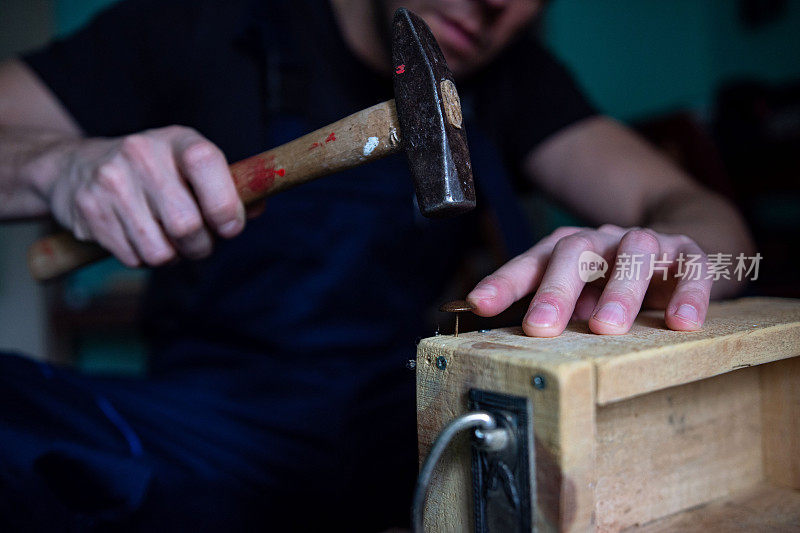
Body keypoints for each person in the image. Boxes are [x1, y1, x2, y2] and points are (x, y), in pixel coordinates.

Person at [0, 0, 754, 530]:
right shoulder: (198, 20)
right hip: (204, 429)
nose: (502, 3)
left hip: (407, 420)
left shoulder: (515, 78)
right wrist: (57, 166)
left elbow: (708, 219)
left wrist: (667, 256)